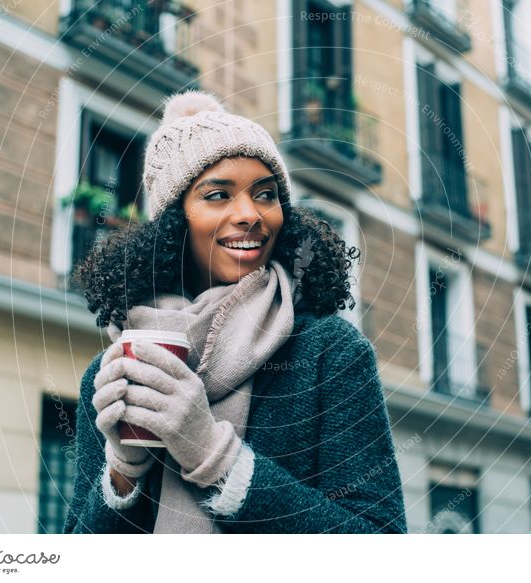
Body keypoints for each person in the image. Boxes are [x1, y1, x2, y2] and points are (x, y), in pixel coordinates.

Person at [63, 90, 407, 534]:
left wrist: (214, 457)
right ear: (174, 221)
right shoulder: (111, 374)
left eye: (266, 195)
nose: (250, 214)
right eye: (218, 195)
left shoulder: (331, 355)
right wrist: (123, 471)